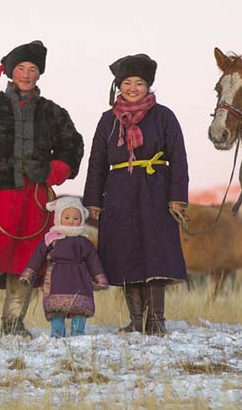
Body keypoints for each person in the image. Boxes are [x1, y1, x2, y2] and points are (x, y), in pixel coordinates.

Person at [0, 40, 84, 340]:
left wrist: (55, 171)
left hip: (33, 197)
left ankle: (13, 321)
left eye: (32, 69)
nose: (26, 74)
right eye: (21, 69)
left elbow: (72, 146)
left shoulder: (53, 112)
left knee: (25, 260)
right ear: (11, 72)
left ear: (39, 74)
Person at [82, 53, 189, 336]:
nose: (132, 88)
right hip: (119, 192)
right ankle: (136, 320)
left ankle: (156, 321)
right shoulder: (108, 121)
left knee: (156, 254)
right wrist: (93, 200)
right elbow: (96, 161)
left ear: (148, 85)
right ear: (119, 86)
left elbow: (178, 157)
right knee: (125, 253)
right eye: (127, 83)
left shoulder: (164, 116)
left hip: (156, 189)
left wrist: (177, 196)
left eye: (139, 83)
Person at [19, 196, 109, 338]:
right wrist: (29, 273)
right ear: (58, 217)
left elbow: (93, 261)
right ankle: (57, 334)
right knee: (57, 309)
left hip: (79, 279)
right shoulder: (52, 239)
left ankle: (78, 334)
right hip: (57, 278)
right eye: (67, 217)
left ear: (81, 219)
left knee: (80, 308)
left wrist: (100, 278)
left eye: (75, 218)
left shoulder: (84, 241)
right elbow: (38, 256)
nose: (71, 222)